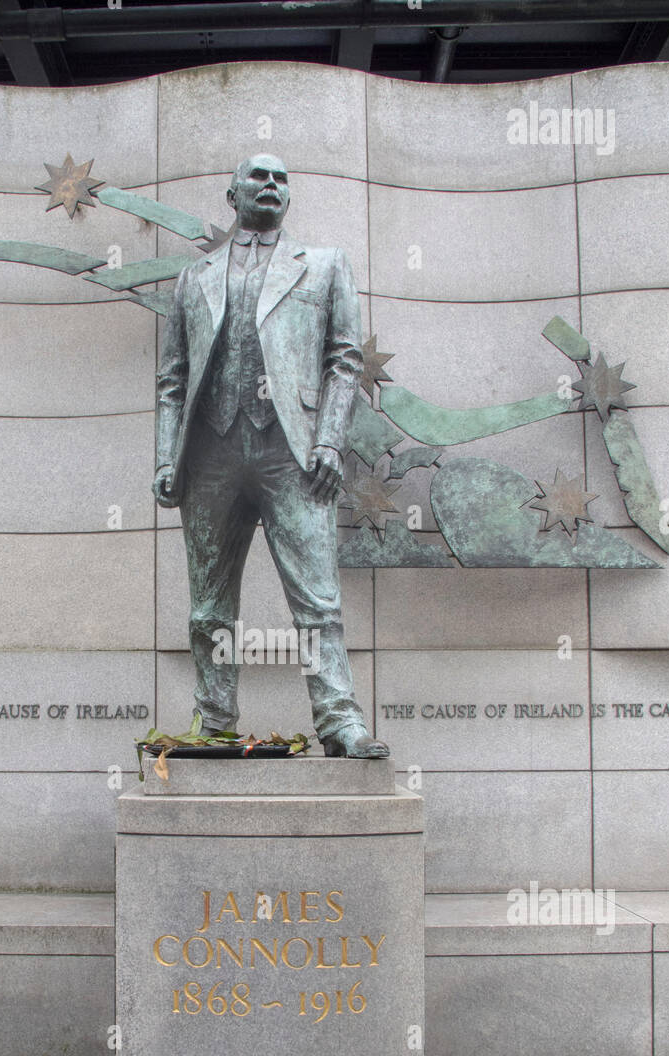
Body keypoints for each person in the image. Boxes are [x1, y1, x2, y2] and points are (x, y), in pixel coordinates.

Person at [153, 153, 389, 758]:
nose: (272, 185)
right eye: (258, 177)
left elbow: (344, 362)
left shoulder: (326, 266)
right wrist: (164, 457)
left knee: (317, 597)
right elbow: (172, 379)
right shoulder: (192, 278)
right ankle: (214, 722)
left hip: (294, 456)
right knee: (208, 605)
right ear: (232, 196)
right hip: (210, 454)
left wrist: (330, 439)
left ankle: (339, 721)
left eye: (282, 178)